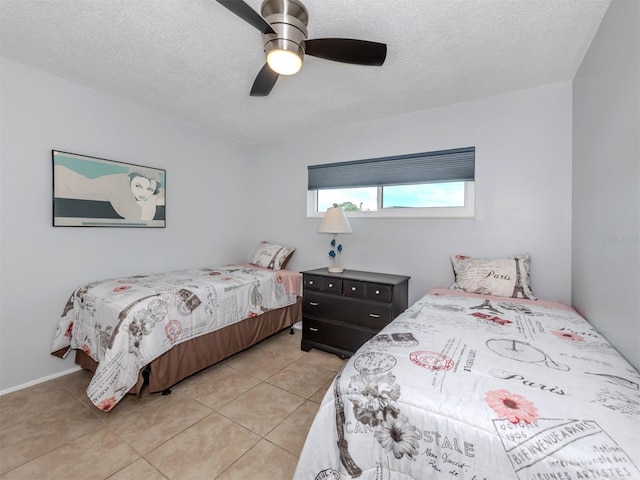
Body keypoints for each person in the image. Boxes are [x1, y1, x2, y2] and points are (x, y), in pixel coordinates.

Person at [54, 164, 165, 221]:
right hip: (63, 182)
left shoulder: (128, 186)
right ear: (130, 180)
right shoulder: (117, 186)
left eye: (149, 189)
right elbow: (141, 219)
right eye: (138, 186)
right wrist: (152, 198)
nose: (143, 193)